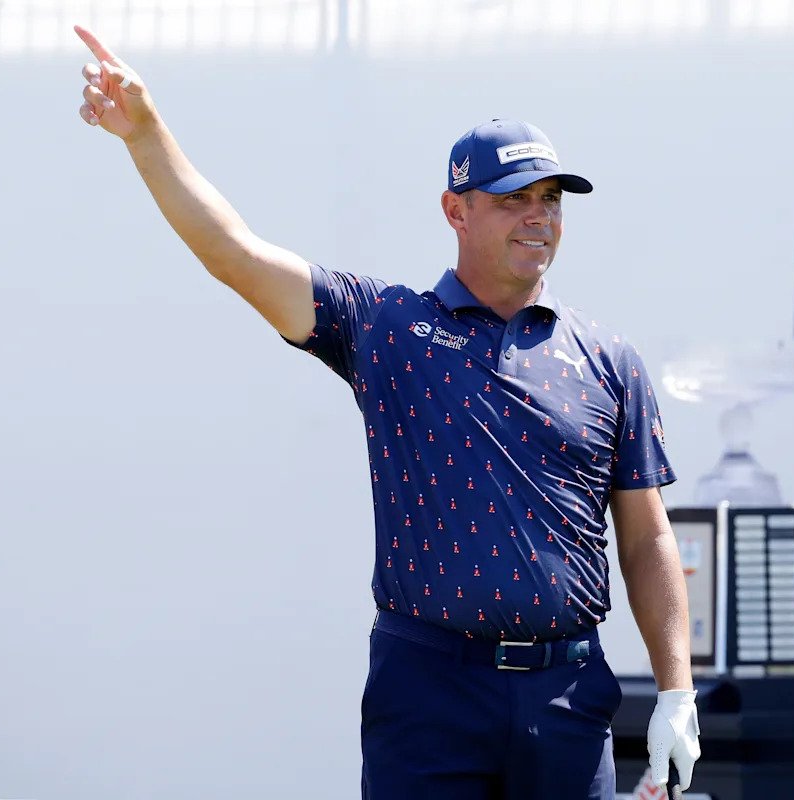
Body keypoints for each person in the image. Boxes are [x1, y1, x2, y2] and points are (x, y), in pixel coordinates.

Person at [73, 24, 700, 800]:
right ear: (456, 210)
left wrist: (677, 690)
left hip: (567, 698)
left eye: (550, 200)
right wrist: (145, 134)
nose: (539, 216)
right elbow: (233, 253)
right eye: (514, 199)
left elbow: (647, 535)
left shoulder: (610, 358)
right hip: (429, 688)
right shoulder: (390, 325)